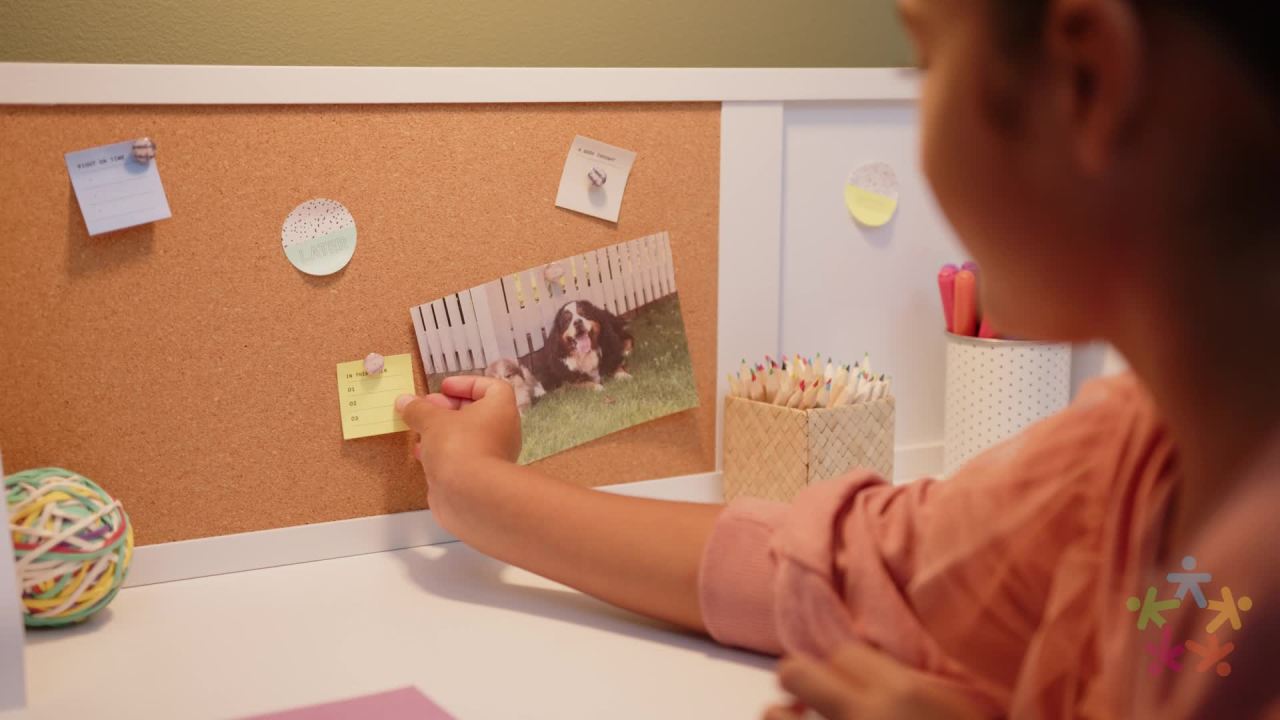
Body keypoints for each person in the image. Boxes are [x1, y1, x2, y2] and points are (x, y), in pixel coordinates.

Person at [394, 0, 1279, 715]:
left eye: (926, 62)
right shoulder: (1114, 469)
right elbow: (839, 571)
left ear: (1086, 80)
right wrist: (480, 491)